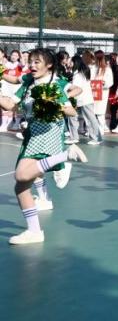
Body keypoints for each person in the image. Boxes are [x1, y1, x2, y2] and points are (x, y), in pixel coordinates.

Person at [0, 48, 89, 245]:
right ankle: (34, 231)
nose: (32, 65)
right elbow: (9, 105)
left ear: (49, 65)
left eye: (37, 62)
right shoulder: (29, 83)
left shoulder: (55, 84)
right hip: (32, 133)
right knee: (21, 187)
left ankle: (66, 156)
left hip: (49, 131)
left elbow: (72, 111)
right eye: (30, 61)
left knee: (21, 176)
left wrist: (52, 104)